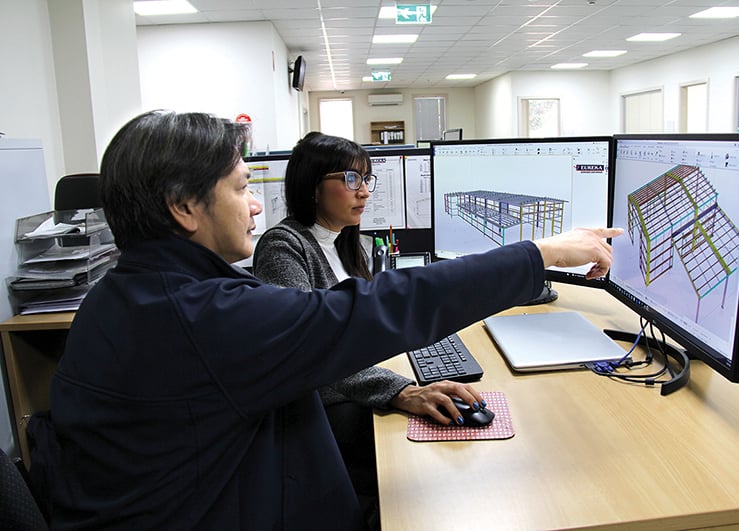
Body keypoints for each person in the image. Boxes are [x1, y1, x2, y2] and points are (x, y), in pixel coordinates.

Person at [39, 109, 621, 530]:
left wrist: (396, 393)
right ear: (184, 206)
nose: (256, 203)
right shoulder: (198, 317)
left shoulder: (127, 295)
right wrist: (539, 255)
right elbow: (374, 309)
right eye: (242, 188)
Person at [251, 132, 484, 520]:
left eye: (366, 179)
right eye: (351, 179)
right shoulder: (283, 246)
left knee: (457, 426)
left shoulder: (344, 243)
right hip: (322, 413)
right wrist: (402, 390)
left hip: (355, 390)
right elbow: (312, 350)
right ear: (312, 187)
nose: (364, 192)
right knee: (437, 455)